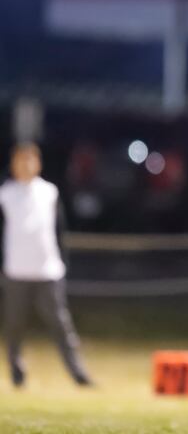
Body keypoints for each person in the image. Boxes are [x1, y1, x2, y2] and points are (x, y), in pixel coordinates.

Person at [0, 143, 92, 388]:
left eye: (30, 160)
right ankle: (16, 373)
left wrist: (62, 262)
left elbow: (59, 231)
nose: (25, 165)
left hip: (47, 272)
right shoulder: (5, 194)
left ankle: (78, 373)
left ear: (38, 163)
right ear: (13, 164)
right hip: (15, 271)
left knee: (61, 325)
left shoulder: (49, 192)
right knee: (14, 327)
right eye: (20, 160)